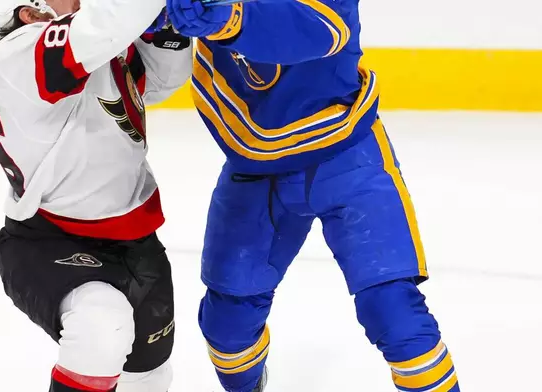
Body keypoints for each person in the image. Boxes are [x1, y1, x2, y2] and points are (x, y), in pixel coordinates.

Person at [165, 0, 460, 391]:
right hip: (254, 165)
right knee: (227, 326)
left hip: (345, 153)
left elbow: (313, 28)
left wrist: (233, 18)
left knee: (394, 314)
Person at [0, 0, 192, 390]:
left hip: (136, 240)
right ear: (32, 12)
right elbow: (108, 20)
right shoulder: (14, 56)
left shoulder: (88, 49)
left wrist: (165, 30)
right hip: (49, 238)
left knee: (150, 377)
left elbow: (159, 82)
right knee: (101, 328)